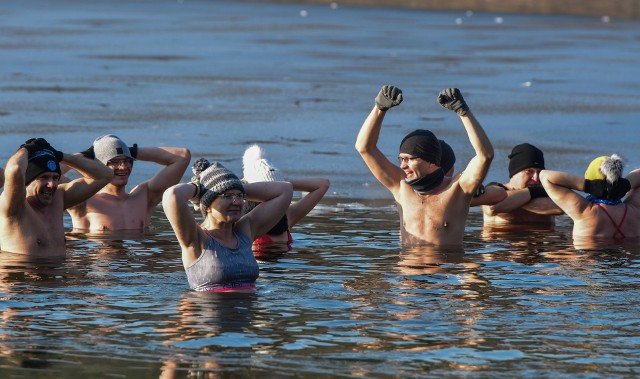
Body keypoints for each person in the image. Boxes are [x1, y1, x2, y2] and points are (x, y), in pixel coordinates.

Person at [355, 86, 493, 246]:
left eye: (410, 159)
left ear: (431, 162)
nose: (403, 166)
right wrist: (379, 108)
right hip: (406, 269)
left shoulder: (458, 190)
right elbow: (364, 148)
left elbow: (485, 155)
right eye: (401, 159)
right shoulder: (400, 187)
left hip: (445, 267)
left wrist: (463, 112)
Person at [162, 158, 293, 292]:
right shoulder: (196, 239)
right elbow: (172, 195)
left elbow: (285, 190)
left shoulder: (245, 232)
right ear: (207, 206)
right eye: (227, 196)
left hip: (248, 311)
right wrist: (199, 189)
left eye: (239, 196)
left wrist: (236, 186)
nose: (236, 202)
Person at [0, 138, 113, 256]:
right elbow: (15, 170)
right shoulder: (15, 206)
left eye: (55, 178)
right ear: (28, 180)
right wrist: (26, 149)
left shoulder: (59, 199)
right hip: (24, 271)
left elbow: (106, 175)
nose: (52, 184)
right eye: (44, 177)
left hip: (59, 272)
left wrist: (60, 156)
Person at [64, 134, 191, 231]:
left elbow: (182, 156)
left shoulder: (144, 198)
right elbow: (47, 172)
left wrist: (130, 151)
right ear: (99, 166)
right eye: (114, 162)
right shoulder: (82, 201)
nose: (123, 167)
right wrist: (83, 156)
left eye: (127, 160)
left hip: (136, 263)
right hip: (100, 264)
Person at [241, 144, 330, 250]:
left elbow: (323, 185)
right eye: (268, 192)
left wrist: (284, 186)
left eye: (275, 192)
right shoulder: (244, 223)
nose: (274, 197)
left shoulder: (286, 216)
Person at [540, 154, 639, 242]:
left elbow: (545, 176)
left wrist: (589, 186)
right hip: (628, 259)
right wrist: (625, 185)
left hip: (589, 260)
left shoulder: (583, 211)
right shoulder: (634, 210)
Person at [482, 143, 563, 228]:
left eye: (540, 172)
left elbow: (561, 208)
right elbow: (492, 208)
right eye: (529, 172)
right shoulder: (495, 188)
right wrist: (533, 192)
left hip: (541, 239)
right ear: (514, 173)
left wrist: (513, 201)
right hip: (502, 240)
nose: (536, 178)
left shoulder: (549, 192)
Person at [439, 139, 506, 207]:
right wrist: (472, 185)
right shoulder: (455, 197)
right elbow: (500, 194)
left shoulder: (430, 193)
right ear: (451, 168)